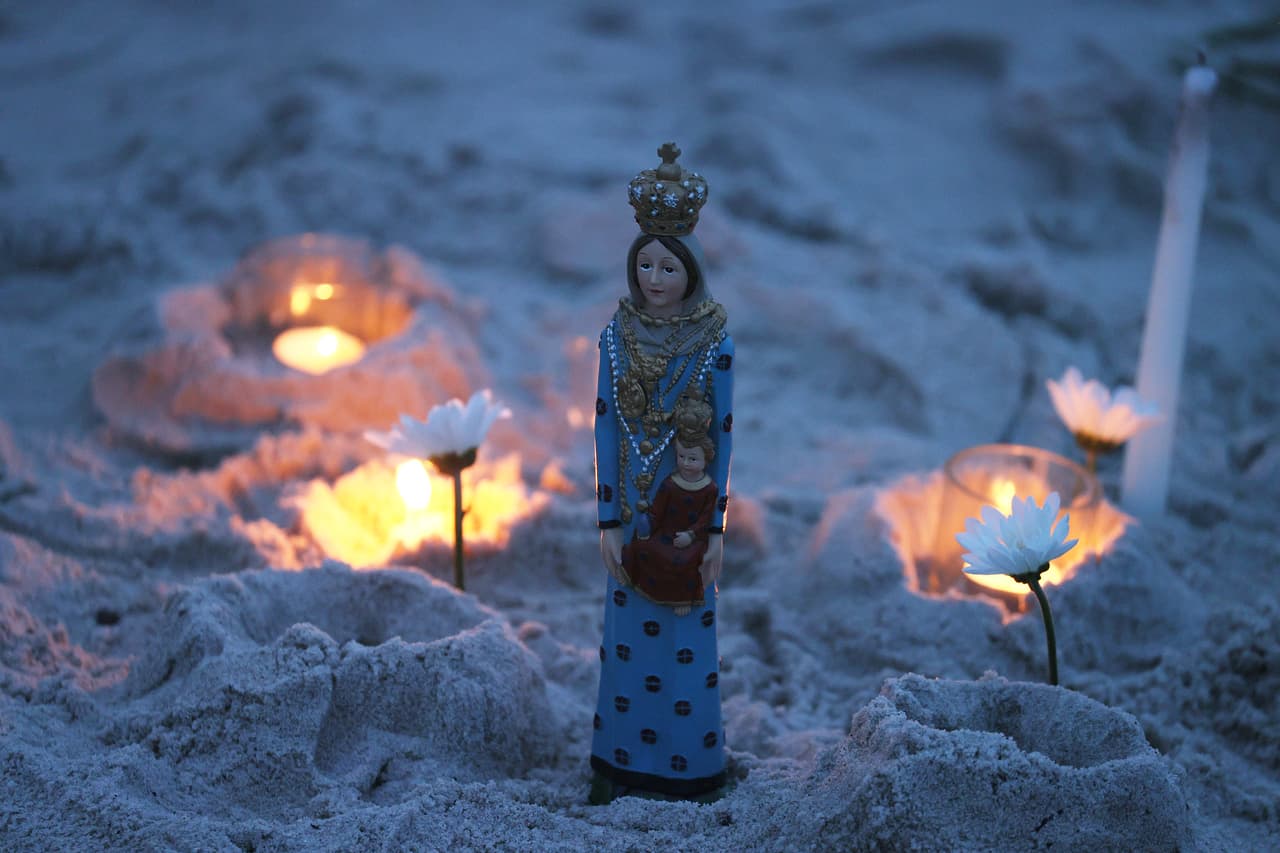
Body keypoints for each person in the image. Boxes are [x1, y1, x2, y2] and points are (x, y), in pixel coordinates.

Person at [590, 143, 734, 803]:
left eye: (666, 266)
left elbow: (724, 437)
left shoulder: (714, 345)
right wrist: (609, 518)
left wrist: (719, 530)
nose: (653, 277)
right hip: (633, 513)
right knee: (625, 643)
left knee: (685, 639)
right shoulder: (616, 340)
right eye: (644, 263)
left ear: (691, 270)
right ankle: (620, 763)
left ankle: (689, 769)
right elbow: (605, 425)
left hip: (688, 518)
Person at [621, 435, 718, 617]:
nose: (686, 463)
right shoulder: (670, 483)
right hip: (666, 531)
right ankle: (640, 586)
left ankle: (682, 599)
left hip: (692, 537)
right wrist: (648, 524)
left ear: (706, 460)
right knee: (644, 547)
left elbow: (705, 518)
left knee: (683, 560)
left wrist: (690, 535)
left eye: (693, 459)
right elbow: (657, 510)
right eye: (681, 457)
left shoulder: (709, 489)